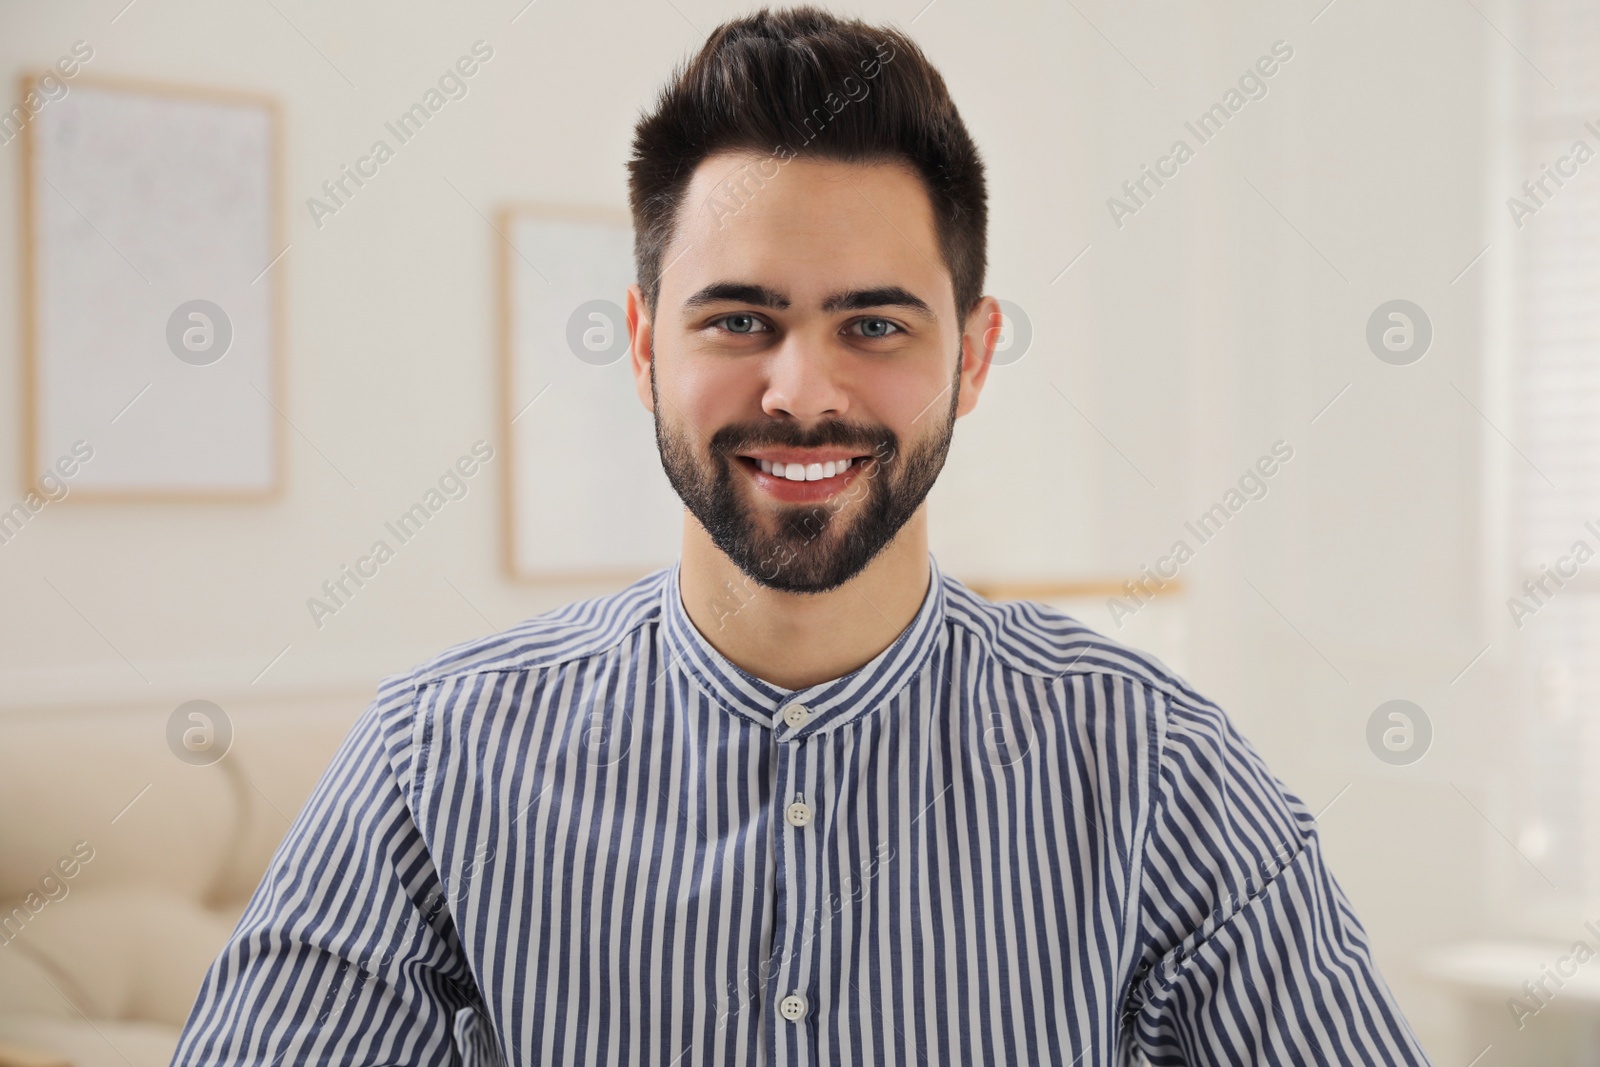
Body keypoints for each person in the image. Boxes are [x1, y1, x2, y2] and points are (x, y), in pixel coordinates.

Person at [171, 7, 1432, 1064]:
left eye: (873, 325)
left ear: (974, 355)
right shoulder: (427, 767)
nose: (800, 391)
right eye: (738, 320)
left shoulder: (1161, 772)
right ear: (643, 341)